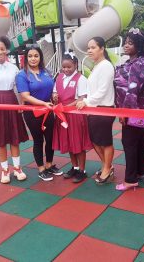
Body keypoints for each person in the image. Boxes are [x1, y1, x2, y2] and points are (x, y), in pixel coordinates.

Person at [0, 36, 29, 184]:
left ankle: (17, 168)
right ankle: (4, 171)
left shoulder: (14, 68)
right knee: (1, 140)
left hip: (11, 102)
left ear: (6, 49)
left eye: (2, 49)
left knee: (14, 139)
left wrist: (21, 103)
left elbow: (19, 88)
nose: (0, 52)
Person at [16, 44, 63, 181]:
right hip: (33, 112)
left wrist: (54, 95)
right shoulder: (22, 75)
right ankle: (41, 168)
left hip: (48, 110)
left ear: (40, 57)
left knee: (50, 138)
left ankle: (49, 165)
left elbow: (52, 87)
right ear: (26, 58)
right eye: (30, 56)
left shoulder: (46, 71)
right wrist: (43, 103)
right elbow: (25, 96)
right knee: (38, 140)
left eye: (36, 56)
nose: (33, 59)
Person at [114, 28, 144, 191]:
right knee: (139, 141)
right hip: (137, 110)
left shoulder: (138, 64)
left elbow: (132, 90)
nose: (126, 46)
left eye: (131, 43)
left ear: (140, 46)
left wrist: (125, 113)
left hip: (132, 109)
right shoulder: (132, 62)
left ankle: (130, 179)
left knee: (129, 142)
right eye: (126, 42)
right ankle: (142, 170)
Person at [76, 37, 115, 184]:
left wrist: (86, 101)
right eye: (88, 48)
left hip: (103, 109)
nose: (89, 51)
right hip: (94, 109)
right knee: (95, 141)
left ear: (102, 48)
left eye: (93, 47)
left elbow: (102, 91)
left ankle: (107, 168)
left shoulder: (106, 66)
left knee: (104, 141)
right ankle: (107, 166)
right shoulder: (97, 66)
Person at [52, 52, 92, 183]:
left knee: (78, 143)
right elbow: (55, 94)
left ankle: (82, 170)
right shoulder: (59, 78)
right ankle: (74, 167)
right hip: (62, 115)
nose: (66, 69)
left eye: (69, 67)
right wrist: (55, 98)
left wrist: (68, 106)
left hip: (75, 116)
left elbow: (82, 98)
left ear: (75, 65)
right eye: (64, 67)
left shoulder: (81, 79)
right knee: (69, 142)